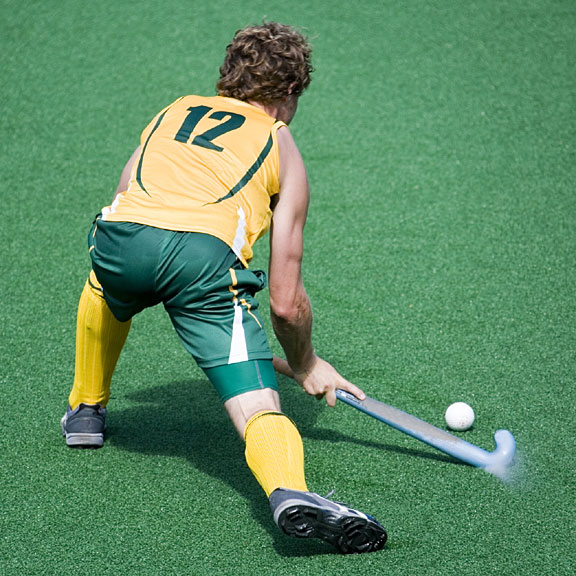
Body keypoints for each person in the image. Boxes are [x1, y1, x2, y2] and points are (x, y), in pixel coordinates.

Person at [61, 22, 387, 554]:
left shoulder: (172, 112)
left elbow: (127, 194)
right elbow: (285, 300)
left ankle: (86, 410)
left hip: (119, 242)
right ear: (288, 95)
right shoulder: (281, 145)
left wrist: (149, 271)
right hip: (203, 264)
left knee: (104, 285)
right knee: (258, 405)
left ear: (229, 78)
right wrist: (305, 363)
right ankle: (290, 492)